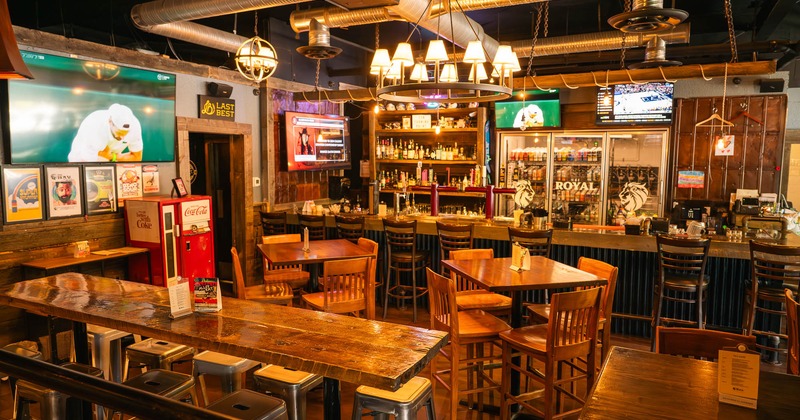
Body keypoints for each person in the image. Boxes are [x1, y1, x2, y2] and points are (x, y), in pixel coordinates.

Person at [68, 103, 143, 162]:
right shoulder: (94, 126)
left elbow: (137, 158)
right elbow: (87, 164)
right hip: (81, 160)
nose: (122, 138)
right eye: (119, 133)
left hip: (109, 159)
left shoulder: (135, 126)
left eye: (125, 133)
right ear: (110, 122)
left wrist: (112, 156)